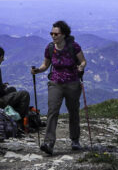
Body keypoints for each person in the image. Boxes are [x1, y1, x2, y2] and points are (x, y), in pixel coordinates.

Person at [31, 20, 86, 156]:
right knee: (52, 111)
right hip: (55, 83)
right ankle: (49, 142)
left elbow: (83, 60)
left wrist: (81, 66)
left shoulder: (74, 46)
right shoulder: (50, 48)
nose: (53, 36)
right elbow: (45, 65)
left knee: (73, 111)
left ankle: (75, 140)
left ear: (64, 35)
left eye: (56, 34)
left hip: (72, 83)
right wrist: (37, 70)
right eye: (52, 33)